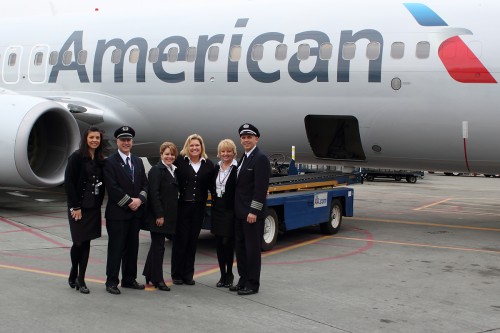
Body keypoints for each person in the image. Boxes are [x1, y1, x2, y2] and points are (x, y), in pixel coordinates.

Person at [103, 126, 148, 295]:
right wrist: (129, 201)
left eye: (128, 140)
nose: (126, 143)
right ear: (117, 142)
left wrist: (140, 200)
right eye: (123, 140)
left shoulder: (137, 161)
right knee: (116, 248)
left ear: (132, 142)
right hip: (118, 214)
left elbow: (145, 183)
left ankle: (129, 279)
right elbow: (112, 188)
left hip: (134, 214)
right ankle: (111, 281)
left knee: (132, 248)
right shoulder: (110, 162)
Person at [230, 123, 270, 296]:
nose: (246, 140)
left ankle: (252, 283)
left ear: (256, 139)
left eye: (249, 137)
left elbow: (261, 188)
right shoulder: (244, 157)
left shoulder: (260, 158)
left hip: (251, 214)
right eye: (243, 137)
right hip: (240, 212)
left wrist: (253, 211)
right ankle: (243, 279)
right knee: (241, 249)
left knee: (252, 250)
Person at [65, 127, 106, 294]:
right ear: (86, 139)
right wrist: (75, 206)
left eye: (97, 137)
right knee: (78, 242)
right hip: (78, 207)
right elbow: (69, 182)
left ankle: (81, 278)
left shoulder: (100, 159)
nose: (95, 140)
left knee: (87, 242)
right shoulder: (76, 157)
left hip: (93, 208)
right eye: (92, 137)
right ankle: (74, 270)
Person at [171, 134, 215, 285]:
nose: (194, 148)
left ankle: (188, 275)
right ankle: (177, 274)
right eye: (192, 145)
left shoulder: (209, 164)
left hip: (198, 208)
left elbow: (215, 187)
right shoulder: (179, 162)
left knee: (192, 241)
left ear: (201, 147)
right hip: (182, 207)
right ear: (187, 147)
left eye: (197, 145)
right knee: (180, 241)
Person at [142, 142, 179, 291]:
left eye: (172, 154)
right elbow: (154, 194)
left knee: (156, 246)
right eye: (167, 154)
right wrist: (159, 215)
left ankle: (149, 273)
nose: (169, 157)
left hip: (168, 215)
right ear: (161, 155)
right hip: (159, 216)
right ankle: (158, 279)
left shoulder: (172, 170)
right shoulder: (157, 170)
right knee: (159, 247)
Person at [211, 139, 238, 288]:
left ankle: (230, 274)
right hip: (217, 210)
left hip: (230, 211)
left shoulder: (237, 168)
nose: (225, 154)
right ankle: (222, 275)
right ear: (219, 153)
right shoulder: (216, 168)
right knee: (219, 244)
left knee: (228, 243)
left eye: (228, 151)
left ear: (234, 152)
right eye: (223, 151)